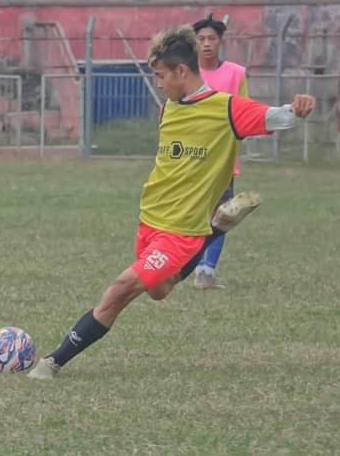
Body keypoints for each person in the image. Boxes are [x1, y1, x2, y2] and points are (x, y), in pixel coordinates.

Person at [28, 25, 315, 380]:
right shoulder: (169, 109)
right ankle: (216, 228)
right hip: (149, 220)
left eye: (161, 75)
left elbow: (277, 116)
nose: (159, 83)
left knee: (119, 291)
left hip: (180, 232)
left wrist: (298, 108)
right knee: (158, 290)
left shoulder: (227, 109)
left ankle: (52, 362)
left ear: (182, 71)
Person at [192, 13, 249, 289]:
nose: (206, 44)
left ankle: (207, 271)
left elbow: (244, 111)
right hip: (192, 156)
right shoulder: (187, 72)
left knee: (223, 213)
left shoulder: (236, 73)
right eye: (201, 39)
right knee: (193, 214)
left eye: (211, 39)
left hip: (223, 158)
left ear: (220, 42)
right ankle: (187, 265)